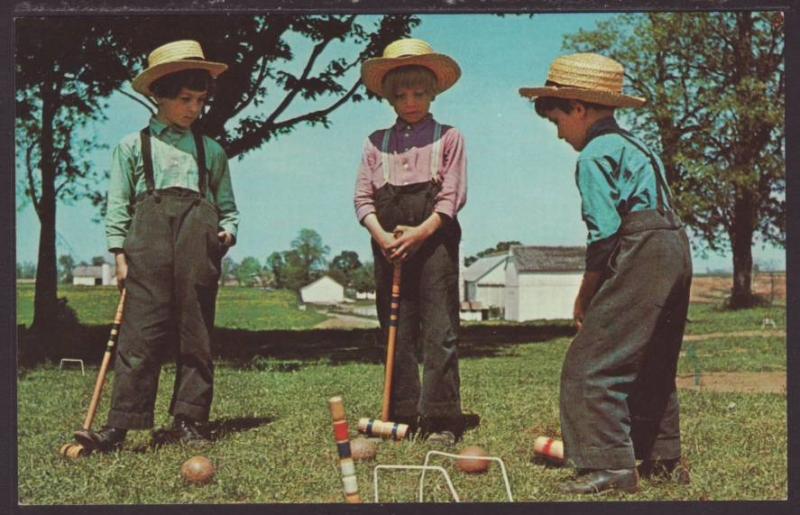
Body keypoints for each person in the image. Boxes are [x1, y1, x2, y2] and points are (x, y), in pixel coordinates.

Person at [519, 53, 692, 493]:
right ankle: (663, 460)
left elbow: (605, 236)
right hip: (675, 245)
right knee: (651, 360)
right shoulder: (638, 146)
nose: (559, 134)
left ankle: (610, 467)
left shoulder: (594, 155)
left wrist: (585, 297)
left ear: (578, 109)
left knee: (590, 364)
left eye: (557, 120)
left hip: (643, 250)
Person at [76, 40, 239, 452]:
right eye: (185, 99)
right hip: (146, 243)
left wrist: (229, 231)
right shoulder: (133, 147)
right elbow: (118, 204)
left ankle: (190, 417)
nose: (193, 109)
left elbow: (227, 206)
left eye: (200, 100)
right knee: (140, 334)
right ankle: (121, 423)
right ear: (158, 96)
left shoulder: (211, 151)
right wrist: (118, 253)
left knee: (196, 330)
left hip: (197, 242)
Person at [355, 38, 467, 444]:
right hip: (389, 244)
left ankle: (440, 419)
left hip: (434, 240)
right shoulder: (375, 142)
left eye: (419, 93)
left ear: (433, 92)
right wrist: (383, 237)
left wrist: (419, 233)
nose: (411, 101)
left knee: (439, 329)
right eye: (401, 95)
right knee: (395, 328)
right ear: (389, 98)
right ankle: (402, 412)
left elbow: (451, 197)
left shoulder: (449, 137)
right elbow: (363, 199)